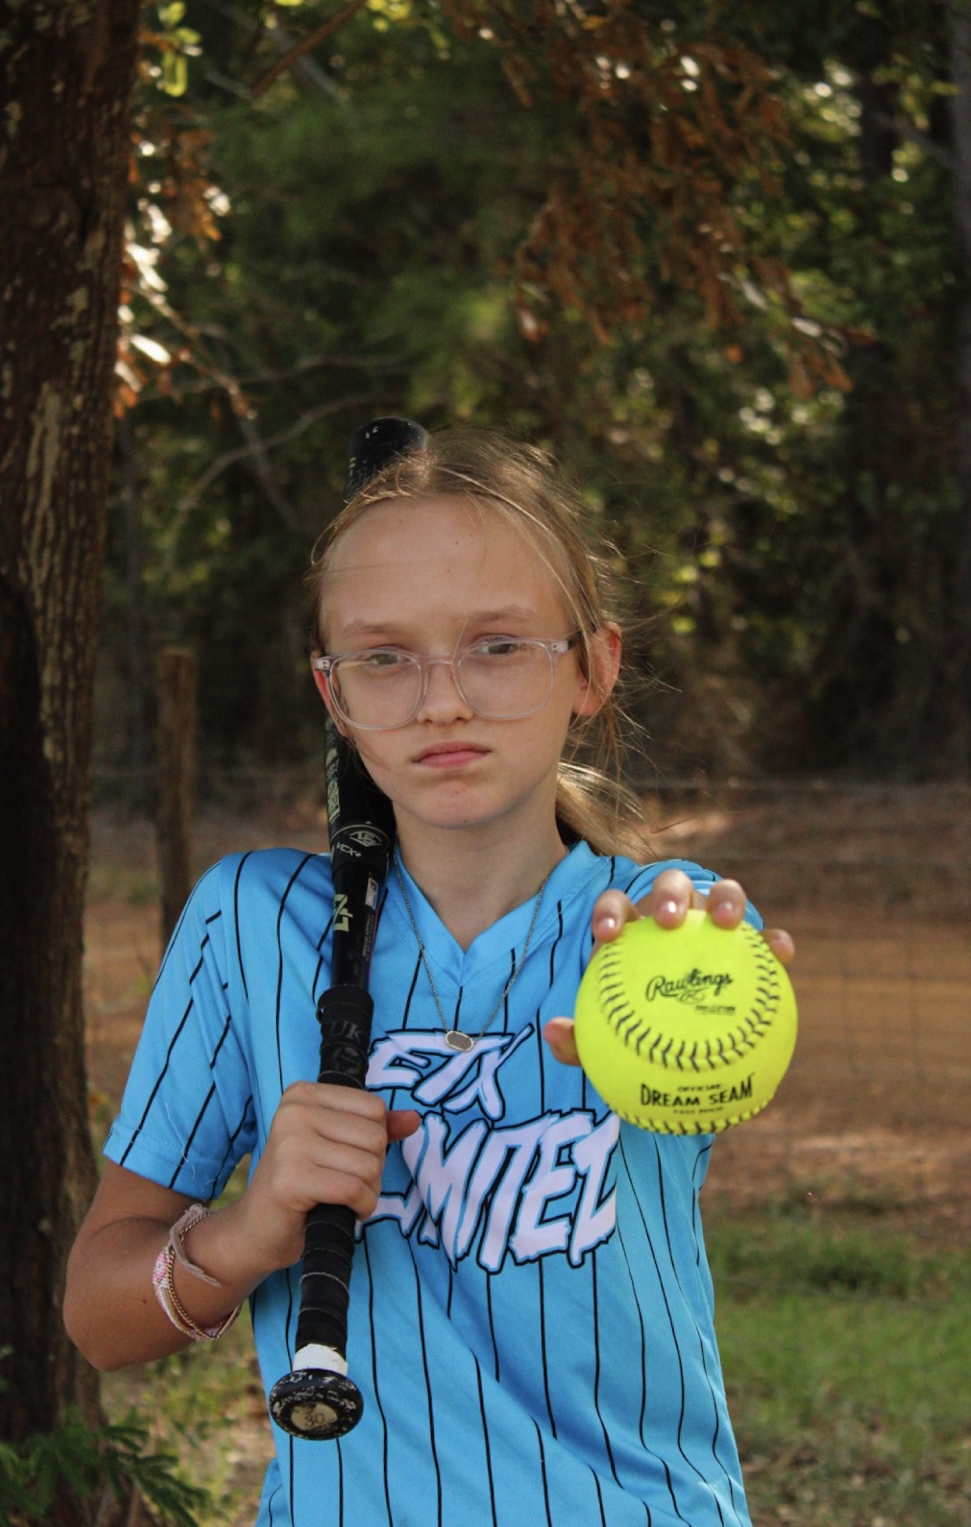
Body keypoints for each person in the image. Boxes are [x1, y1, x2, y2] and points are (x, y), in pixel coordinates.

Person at [65, 428, 794, 1527]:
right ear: (334, 692)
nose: (441, 699)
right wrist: (249, 1229)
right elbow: (97, 1315)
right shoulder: (252, 923)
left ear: (594, 667)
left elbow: (730, 1015)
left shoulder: (652, 929)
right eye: (386, 656)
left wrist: (719, 997)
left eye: (498, 645)